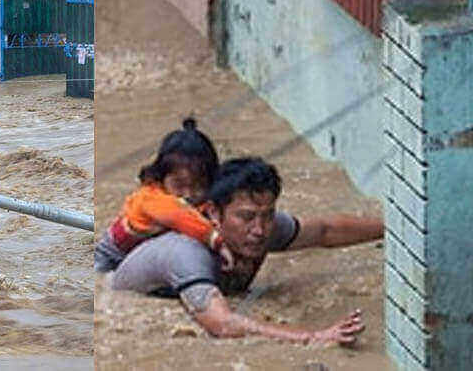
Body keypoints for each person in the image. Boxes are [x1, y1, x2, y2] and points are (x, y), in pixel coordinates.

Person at [109, 157, 383, 345]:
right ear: (214, 213)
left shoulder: (260, 228)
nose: (260, 230)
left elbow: (326, 231)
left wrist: (394, 230)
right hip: (118, 306)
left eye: (268, 216)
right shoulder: (186, 252)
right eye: (247, 217)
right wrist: (313, 337)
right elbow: (222, 325)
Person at [94, 118, 234, 273]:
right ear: (160, 177)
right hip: (111, 258)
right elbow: (178, 215)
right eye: (179, 185)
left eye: (198, 186)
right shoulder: (150, 198)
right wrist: (216, 240)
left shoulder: (204, 205)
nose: (188, 194)